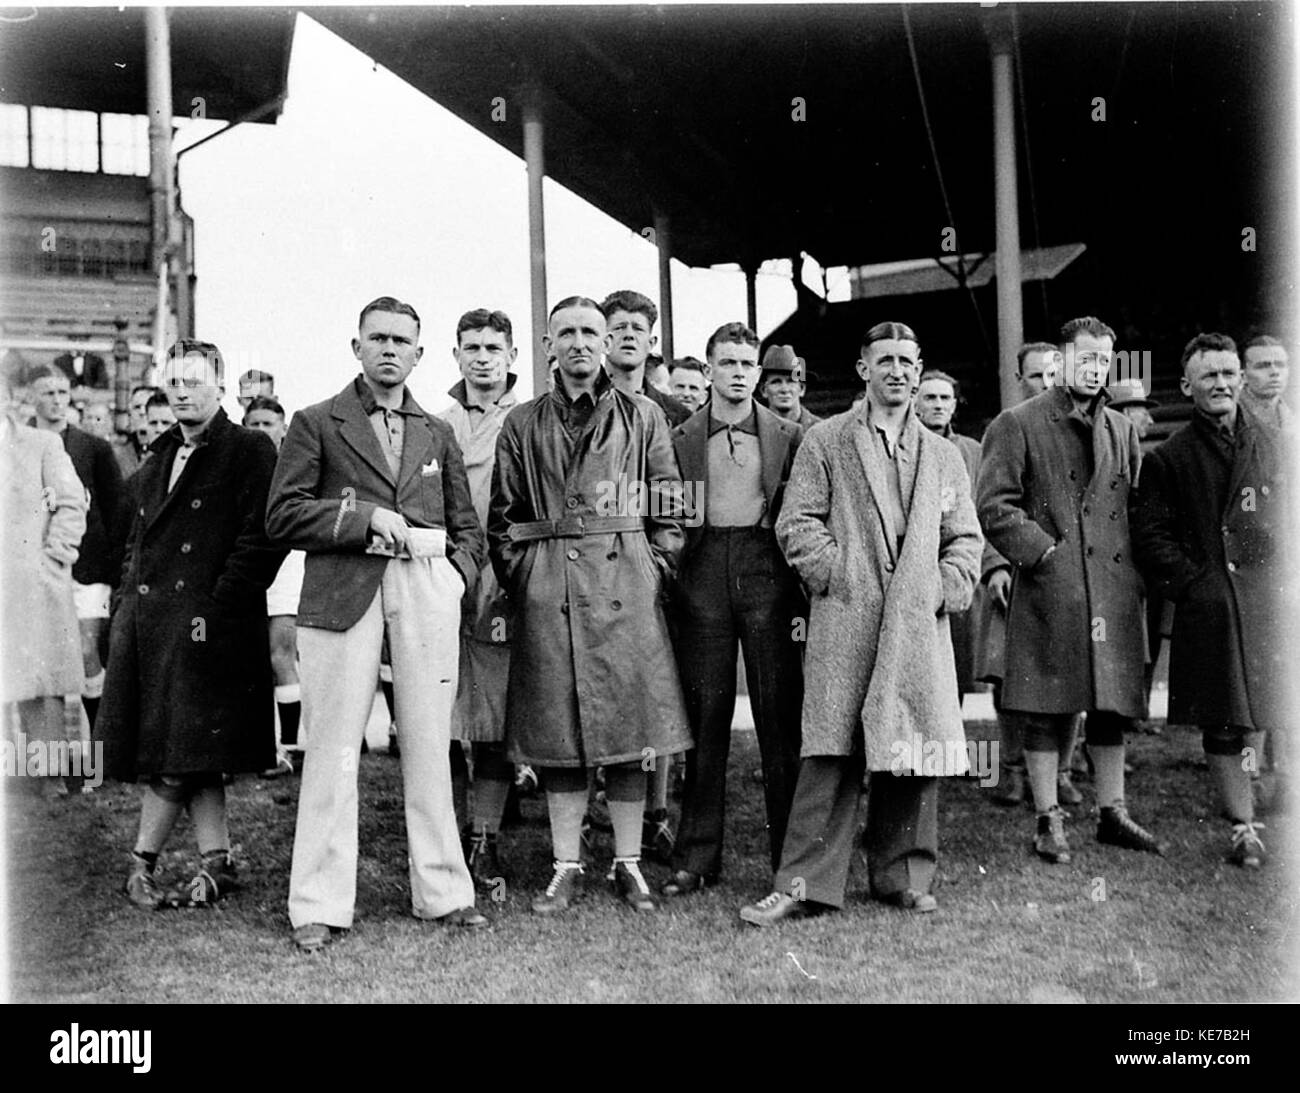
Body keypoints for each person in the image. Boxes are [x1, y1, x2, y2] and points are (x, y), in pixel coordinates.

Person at [739, 321, 982, 925]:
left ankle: (903, 874)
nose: (897, 371)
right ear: (863, 369)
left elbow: (965, 539)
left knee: (913, 744)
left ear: (920, 370)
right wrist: (839, 575)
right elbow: (796, 522)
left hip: (918, 622)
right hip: (847, 618)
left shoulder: (944, 454)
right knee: (831, 750)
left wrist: (941, 590)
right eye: (886, 360)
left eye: (908, 360)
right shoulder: (827, 441)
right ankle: (803, 885)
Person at [267, 296, 487, 952]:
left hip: (425, 589)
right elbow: (283, 514)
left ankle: (445, 891)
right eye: (378, 338)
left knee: (429, 741)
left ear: (420, 354)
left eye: (402, 341)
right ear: (356, 346)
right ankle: (318, 904)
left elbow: (466, 525)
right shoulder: (316, 422)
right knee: (334, 747)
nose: (389, 349)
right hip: (343, 588)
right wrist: (362, 519)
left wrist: (456, 579)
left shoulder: (436, 431)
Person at [489, 295, 692, 914]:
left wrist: (653, 569)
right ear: (548, 344)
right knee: (560, 734)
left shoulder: (644, 415)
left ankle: (629, 865)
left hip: (626, 588)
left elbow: (671, 505)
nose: (579, 342)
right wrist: (529, 577)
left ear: (607, 343)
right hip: (552, 592)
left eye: (589, 331)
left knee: (632, 733)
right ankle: (566, 864)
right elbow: (505, 518)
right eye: (566, 332)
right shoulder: (522, 422)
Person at [98, 339, 285, 910]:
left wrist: (218, 610)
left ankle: (141, 863)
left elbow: (262, 539)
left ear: (220, 387)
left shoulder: (248, 449)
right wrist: (125, 607)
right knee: (189, 746)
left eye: (193, 381)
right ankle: (217, 861)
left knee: (179, 752)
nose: (180, 390)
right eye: (173, 381)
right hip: (152, 623)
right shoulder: (159, 455)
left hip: (209, 627)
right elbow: (134, 541)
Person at [977, 316, 1163, 864]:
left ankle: (1112, 812)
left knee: (1111, 706)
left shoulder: (1122, 429)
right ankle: (1047, 818)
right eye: (1085, 359)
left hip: (1111, 587)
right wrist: (1045, 555)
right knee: (1045, 708)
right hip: (1051, 586)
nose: (1095, 369)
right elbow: (994, 505)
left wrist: (1134, 573)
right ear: (1060, 361)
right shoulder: (1018, 423)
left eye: (1104, 360)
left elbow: (1134, 507)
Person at [1131, 333, 1294, 868]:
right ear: (1187, 387)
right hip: (1215, 605)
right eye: (1209, 377)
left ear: (1241, 379)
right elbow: (1152, 538)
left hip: (1272, 599)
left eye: (1229, 374)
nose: (1222, 384)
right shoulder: (1169, 458)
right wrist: (1197, 587)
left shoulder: (1276, 444)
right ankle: (1242, 826)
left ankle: (1280, 796)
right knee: (1224, 720)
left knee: (1276, 708)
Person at [660, 322, 804, 897]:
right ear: (711, 369)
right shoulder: (680, 435)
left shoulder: (789, 434)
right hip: (703, 570)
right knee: (705, 718)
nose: (740, 374)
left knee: (779, 717)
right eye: (729, 364)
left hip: (767, 567)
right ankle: (696, 857)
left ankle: (792, 857)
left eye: (749, 366)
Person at [437, 308, 521, 887]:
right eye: (472, 347)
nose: (483, 357)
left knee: (491, 721)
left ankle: (485, 838)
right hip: (443, 579)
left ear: (512, 356)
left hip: (502, 580)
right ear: (457, 355)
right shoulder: (434, 423)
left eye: (494, 347)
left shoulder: (530, 419)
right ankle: (444, 836)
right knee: (437, 719)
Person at [977, 342, 1078, 806]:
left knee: (1070, 671)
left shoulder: (1080, 428)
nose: (1046, 383)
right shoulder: (1009, 426)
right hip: (1018, 570)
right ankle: (1014, 765)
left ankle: (1062, 769)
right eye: (1036, 375)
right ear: (1021, 379)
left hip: (1070, 574)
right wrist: (997, 566)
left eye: (1053, 373)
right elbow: (991, 506)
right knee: (1010, 675)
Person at [27, 365, 125, 743]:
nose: (56, 401)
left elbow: (116, 510)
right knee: (44, 659)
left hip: (88, 565)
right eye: (48, 393)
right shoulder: (17, 445)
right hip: (38, 566)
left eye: (62, 393)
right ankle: (49, 758)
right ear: (32, 397)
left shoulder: (93, 447)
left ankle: (99, 752)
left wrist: (115, 569)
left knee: (86, 652)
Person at [1, 367, 87, 796]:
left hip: (30, 581)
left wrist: (53, 557)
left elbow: (71, 503)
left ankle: (50, 774)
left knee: (41, 682)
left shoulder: (41, 444)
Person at [242, 396, 306, 777]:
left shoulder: (294, 464)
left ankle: (291, 747)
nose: (262, 430)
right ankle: (257, 745)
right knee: (249, 659)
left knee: (281, 654)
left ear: (282, 428)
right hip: (247, 566)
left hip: (286, 562)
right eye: (255, 424)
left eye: (269, 424)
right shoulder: (235, 464)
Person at [914, 369, 982, 698]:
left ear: (954, 405)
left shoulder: (971, 450)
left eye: (945, 398)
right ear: (915, 403)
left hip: (953, 564)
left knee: (956, 667)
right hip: (913, 564)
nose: (938, 405)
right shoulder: (904, 444)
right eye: (930, 397)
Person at [600, 290, 692, 427]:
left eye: (638, 329)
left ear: (651, 343)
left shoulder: (678, 416)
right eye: (620, 328)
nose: (629, 335)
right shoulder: (580, 404)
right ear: (603, 340)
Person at [1238, 335, 1293, 433]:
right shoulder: (1231, 415)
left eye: (1280, 365)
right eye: (1263, 366)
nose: (1275, 372)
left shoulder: (1293, 412)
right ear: (1243, 376)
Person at [758, 344, 821, 429]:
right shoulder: (755, 430)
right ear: (763, 390)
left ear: (802, 388)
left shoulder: (821, 430)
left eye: (791, 381)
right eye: (776, 382)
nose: (784, 389)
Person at [113, 385, 160, 477]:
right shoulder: (116, 453)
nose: (142, 412)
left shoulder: (170, 451)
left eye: (147, 406)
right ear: (130, 414)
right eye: (137, 407)